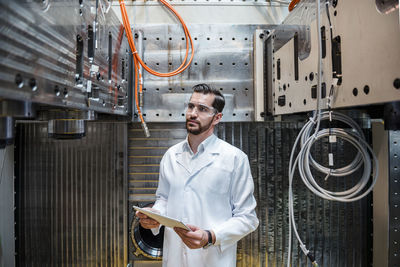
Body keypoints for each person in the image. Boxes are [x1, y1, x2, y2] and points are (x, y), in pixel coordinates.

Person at [136, 83, 259, 267]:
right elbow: (164, 199)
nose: (193, 113)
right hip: (174, 259)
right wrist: (155, 216)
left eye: (202, 109)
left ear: (217, 118)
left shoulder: (234, 159)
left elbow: (248, 218)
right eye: (191, 106)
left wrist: (209, 236)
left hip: (213, 260)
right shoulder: (171, 155)